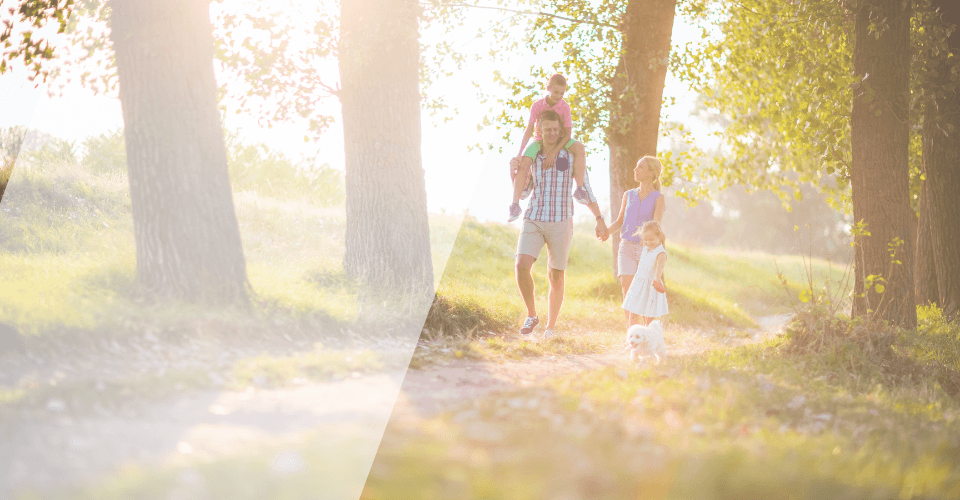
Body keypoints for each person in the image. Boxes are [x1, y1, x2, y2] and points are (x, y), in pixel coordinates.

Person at [506, 110, 608, 339]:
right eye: (547, 130)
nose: (551, 133)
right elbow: (523, 193)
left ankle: (550, 327)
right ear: (539, 132)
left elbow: (586, 188)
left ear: (561, 131)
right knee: (522, 265)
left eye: (555, 130)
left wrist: (599, 218)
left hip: (561, 221)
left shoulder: (570, 155)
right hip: (534, 217)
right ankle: (532, 315)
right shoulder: (532, 157)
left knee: (556, 275)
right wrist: (512, 170)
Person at [604, 156, 667, 325]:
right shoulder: (628, 195)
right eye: (636, 166)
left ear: (651, 173)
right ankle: (633, 334)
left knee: (646, 291)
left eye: (640, 167)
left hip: (646, 250)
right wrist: (606, 232)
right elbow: (619, 222)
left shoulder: (657, 198)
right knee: (628, 289)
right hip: (626, 248)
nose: (635, 169)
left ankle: (647, 333)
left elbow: (656, 226)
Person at [510, 73, 589, 204]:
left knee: (580, 147)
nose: (559, 96)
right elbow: (529, 129)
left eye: (562, 93)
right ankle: (514, 204)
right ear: (548, 88)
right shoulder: (537, 105)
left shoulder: (564, 107)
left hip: (560, 140)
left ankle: (579, 188)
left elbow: (568, 135)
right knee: (524, 161)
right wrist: (519, 153)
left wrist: (553, 153)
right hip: (540, 141)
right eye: (556, 92)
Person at [622, 221, 668, 327]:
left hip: (650, 286)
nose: (648, 242)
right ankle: (632, 337)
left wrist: (656, 281)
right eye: (646, 239)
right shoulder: (646, 248)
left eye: (651, 239)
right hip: (638, 283)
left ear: (659, 237)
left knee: (649, 315)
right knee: (633, 311)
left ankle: (648, 337)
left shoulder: (660, 253)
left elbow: (659, 269)